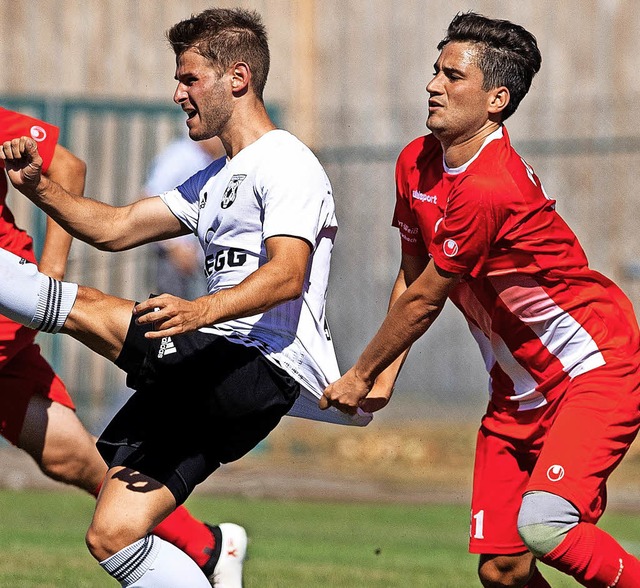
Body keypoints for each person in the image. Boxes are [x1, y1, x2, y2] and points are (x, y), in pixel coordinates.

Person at [0, 7, 368, 587]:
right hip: (213, 363)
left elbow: (287, 274)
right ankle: (216, 560)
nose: (177, 93)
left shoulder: (287, 162)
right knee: (114, 530)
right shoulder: (218, 178)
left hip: (258, 361)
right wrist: (37, 188)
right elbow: (115, 227)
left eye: (189, 78)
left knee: (86, 308)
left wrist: (198, 311)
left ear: (238, 78)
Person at [321, 11, 640, 588]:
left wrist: (358, 373)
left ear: (497, 99)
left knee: (547, 525)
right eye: (434, 71)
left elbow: (424, 302)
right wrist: (386, 378)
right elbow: (411, 278)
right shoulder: (415, 162)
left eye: (452, 75)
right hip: (517, 395)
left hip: (592, 371)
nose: (432, 85)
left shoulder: (491, 186)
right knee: (502, 571)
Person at [0, 106, 246, 587]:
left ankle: (208, 548)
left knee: (77, 459)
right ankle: (210, 548)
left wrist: (48, 277)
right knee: (68, 457)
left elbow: (68, 166)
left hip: (5, 319)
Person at [142, 135, 226, 299]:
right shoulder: (179, 156)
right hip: (173, 260)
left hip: (196, 261)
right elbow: (147, 199)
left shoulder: (207, 159)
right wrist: (173, 247)